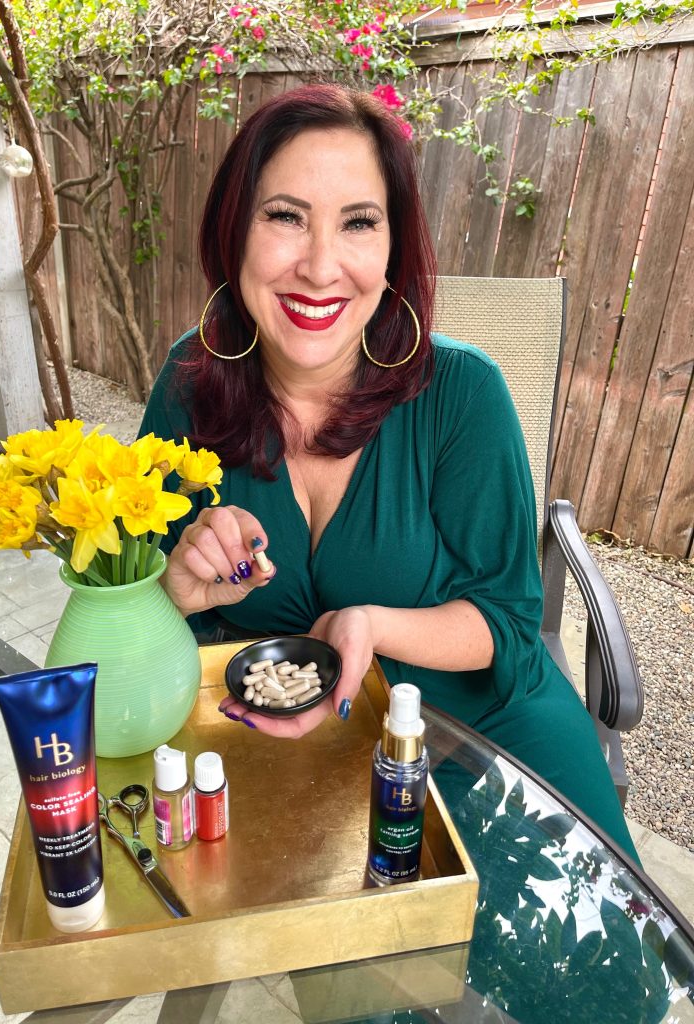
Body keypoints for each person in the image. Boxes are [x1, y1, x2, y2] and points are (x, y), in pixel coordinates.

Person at [139, 84, 638, 860]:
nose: (319, 265)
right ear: (233, 230)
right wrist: (176, 588)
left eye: (358, 223)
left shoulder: (464, 394)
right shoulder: (188, 382)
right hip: (295, 743)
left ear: (393, 248)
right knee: (352, 969)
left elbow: (509, 623)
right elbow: (142, 617)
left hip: (485, 733)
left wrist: (368, 626)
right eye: (285, 216)